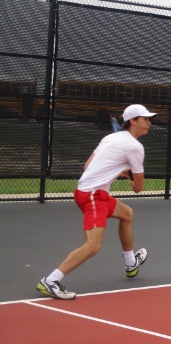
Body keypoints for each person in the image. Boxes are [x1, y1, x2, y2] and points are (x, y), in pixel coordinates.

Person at [36, 104, 157, 300]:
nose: (149, 123)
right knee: (93, 246)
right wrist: (129, 177)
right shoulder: (135, 147)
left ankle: (130, 263)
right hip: (93, 196)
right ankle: (50, 280)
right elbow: (138, 187)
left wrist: (118, 169)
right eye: (145, 119)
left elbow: (88, 165)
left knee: (126, 213)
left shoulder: (110, 138)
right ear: (133, 121)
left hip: (88, 191)